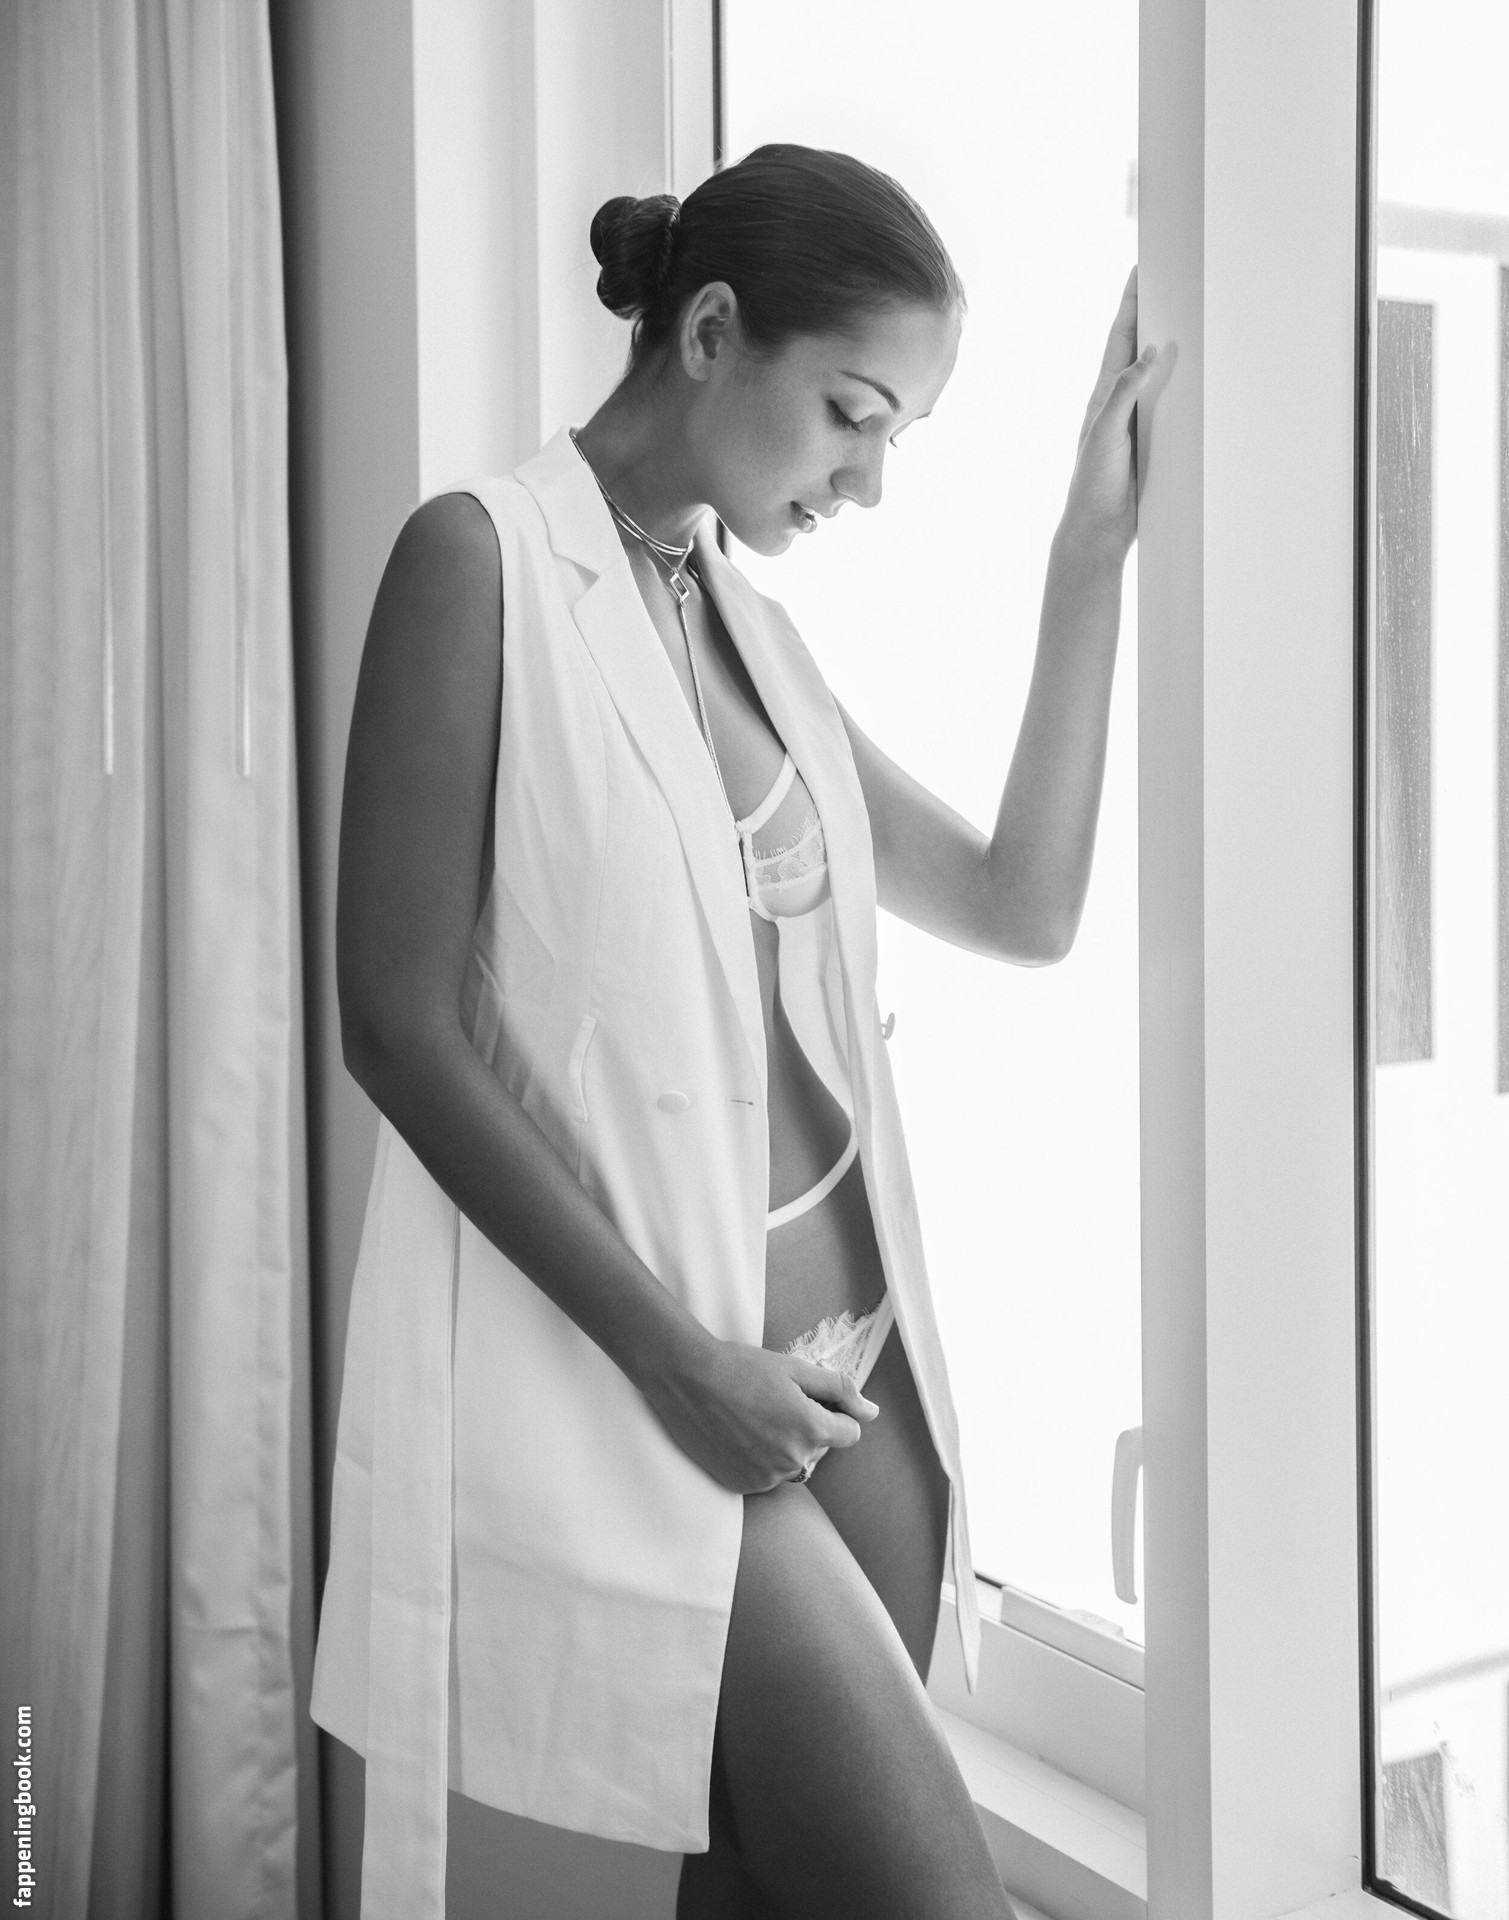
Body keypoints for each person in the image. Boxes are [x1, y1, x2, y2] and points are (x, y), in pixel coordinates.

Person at [309, 142, 1157, 1920]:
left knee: (763, 1901)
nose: (866, 479)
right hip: (676, 1385)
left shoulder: (754, 634)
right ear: (708, 333)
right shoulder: (479, 565)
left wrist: (1091, 550)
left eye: (896, 438)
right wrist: (684, 1364)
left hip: (857, 1372)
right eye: (852, 415)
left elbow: (1021, 903)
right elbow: (393, 1026)